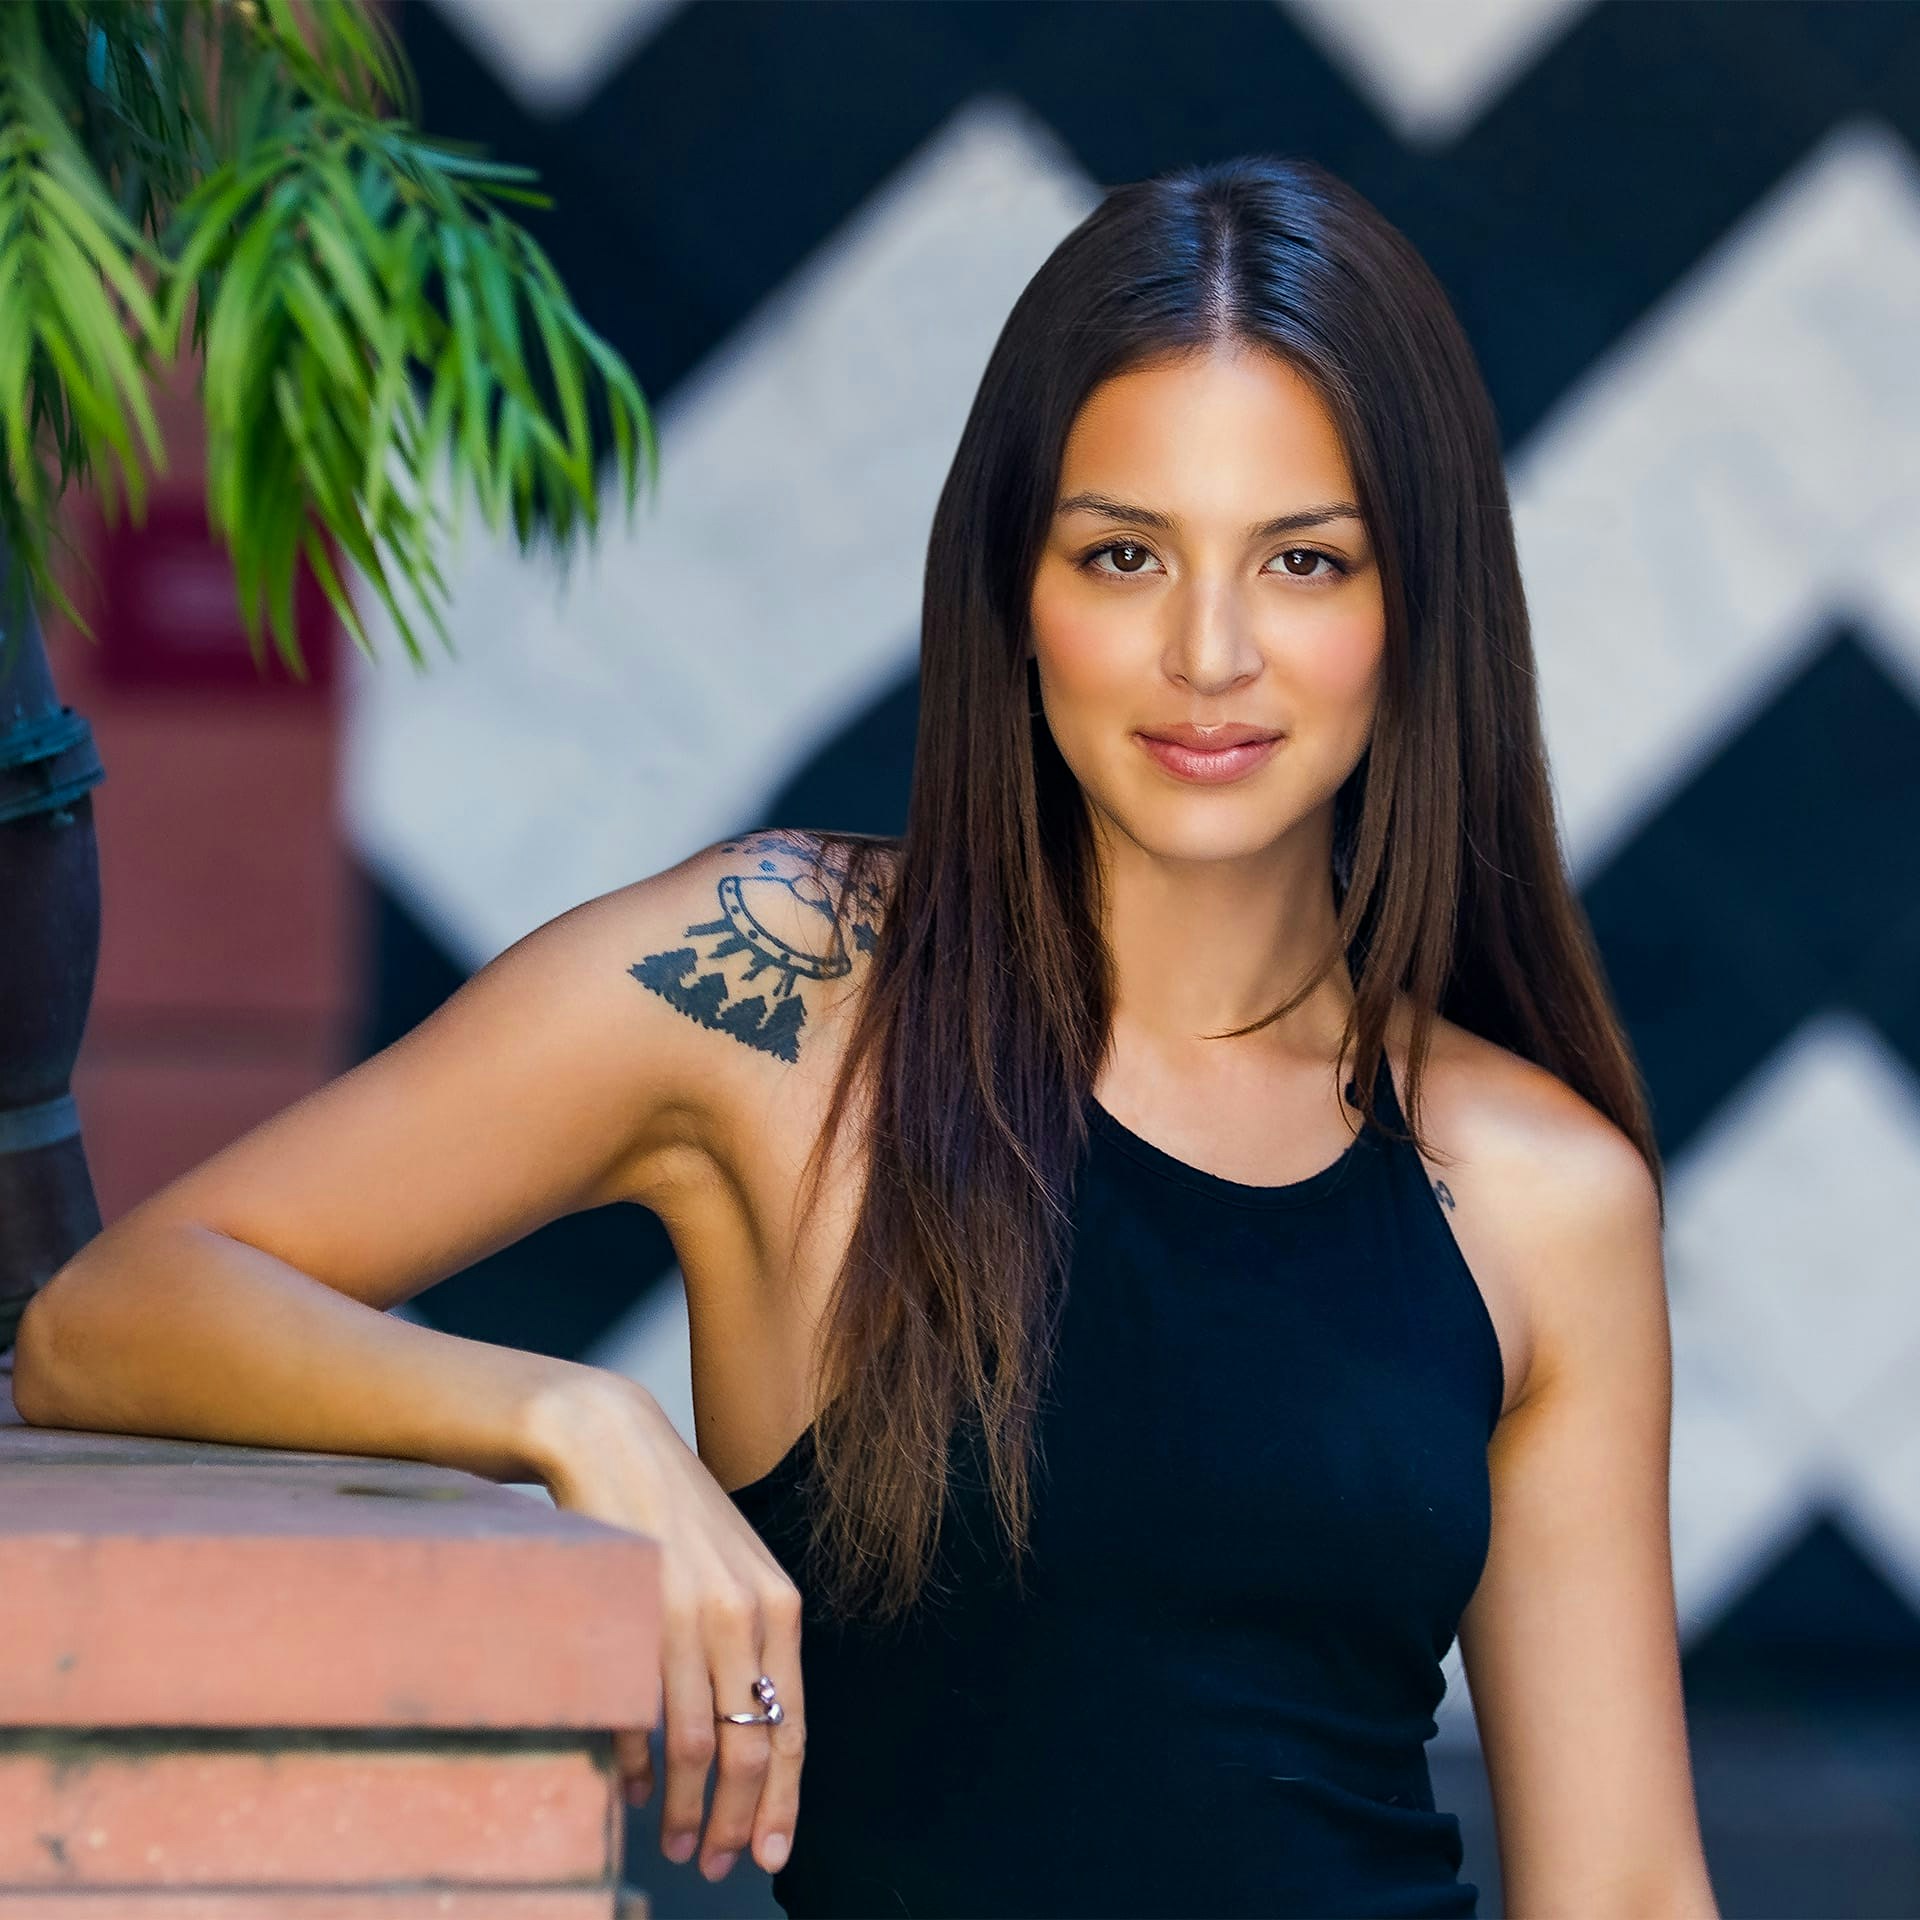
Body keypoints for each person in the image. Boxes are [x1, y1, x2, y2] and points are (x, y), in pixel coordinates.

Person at [12, 154, 1722, 1919]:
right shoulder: (783, 995)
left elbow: (1626, 1890)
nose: (1210, 652)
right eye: (1123, 554)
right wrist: (570, 1422)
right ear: (1016, 591)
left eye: (1303, 561)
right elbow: (112, 1314)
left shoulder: (1537, 1190)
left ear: (1412, 614)